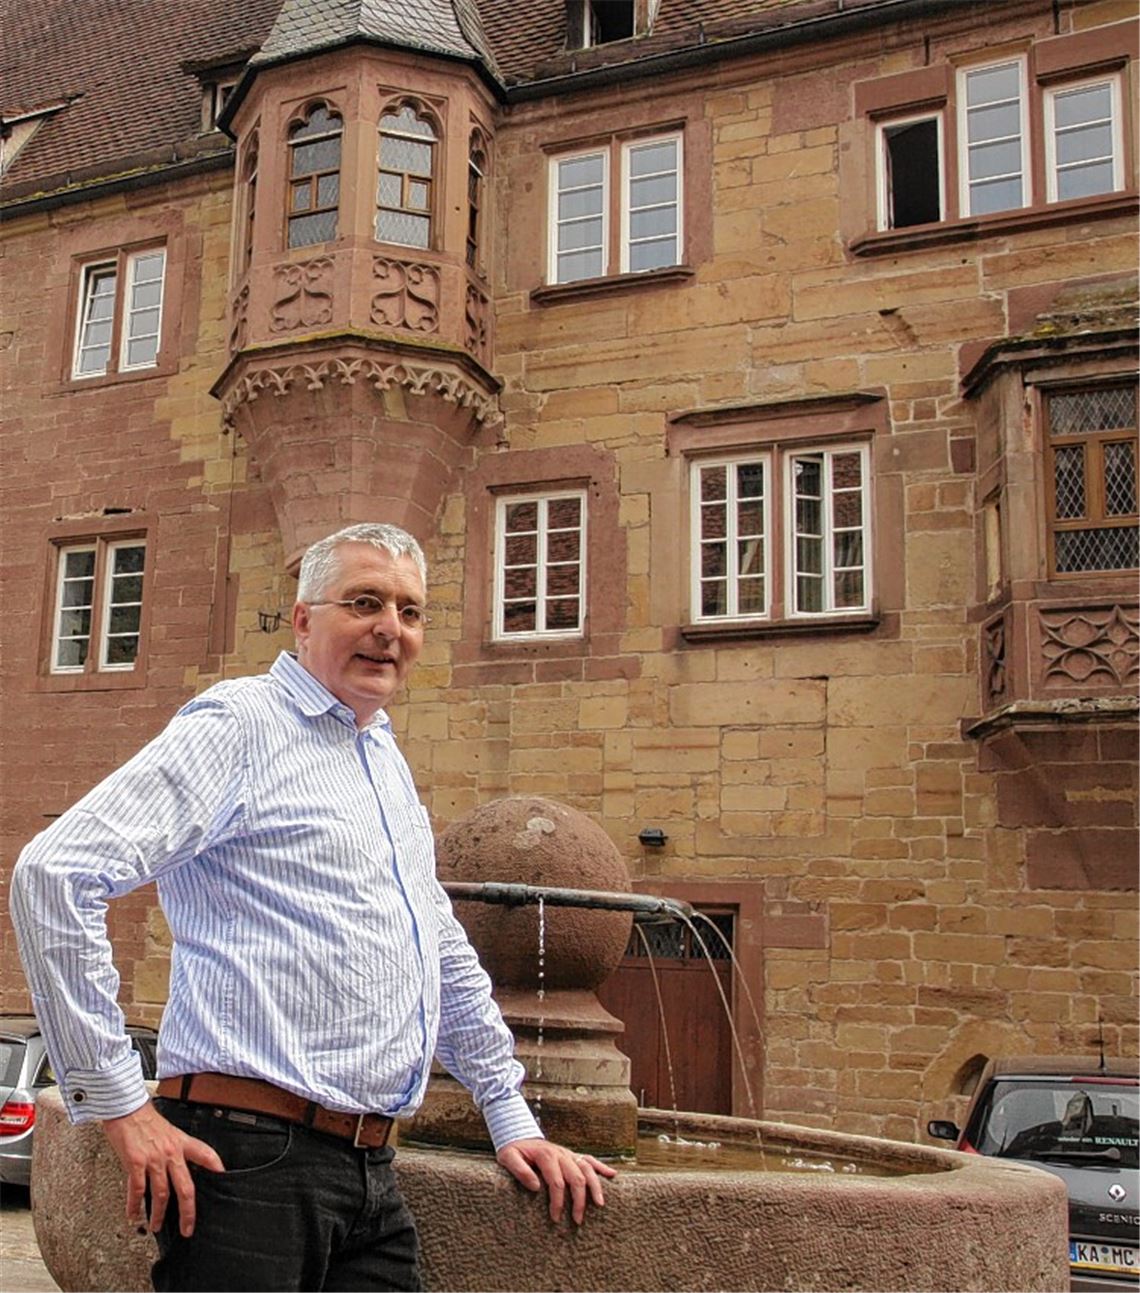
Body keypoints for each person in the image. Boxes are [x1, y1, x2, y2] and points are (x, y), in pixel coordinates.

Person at [11, 521, 615, 1292]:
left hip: (370, 1169)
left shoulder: (381, 757)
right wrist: (120, 1105)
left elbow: (438, 947)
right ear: (302, 619)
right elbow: (54, 873)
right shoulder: (242, 724)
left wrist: (510, 1114)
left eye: (410, 610)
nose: (389, 628)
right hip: (247, 1159)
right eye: (364, 601)